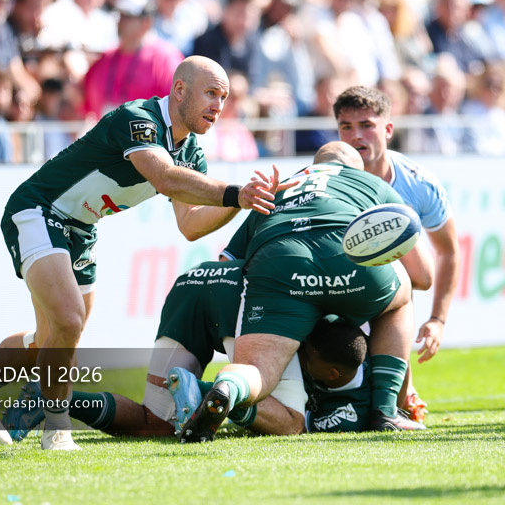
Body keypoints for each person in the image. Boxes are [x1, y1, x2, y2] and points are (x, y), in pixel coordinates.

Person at [0, 56, 286, 451]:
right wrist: (234, 192)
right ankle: (56, 428)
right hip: (39, 209)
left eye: (224, 97)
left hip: (81, 229)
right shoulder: (138, 118)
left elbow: (190, 224)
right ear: (179, 90)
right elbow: (163, 176)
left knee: (52, 338)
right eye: (211, 93)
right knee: (70, 320)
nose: (218, 105)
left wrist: (243, 202)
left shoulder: (191, 149)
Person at [179, 142, 426, 443]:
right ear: (354, 167)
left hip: (279, 263)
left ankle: (229, 387)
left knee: (258, 370)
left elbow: (228, 264)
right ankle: (385, 413)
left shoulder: (279, 186)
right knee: (400, 298)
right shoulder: (371, 182)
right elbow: (423, 275)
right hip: (346, 258)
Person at [1, 260, 349, 440]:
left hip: (193, 281)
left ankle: (52, 399)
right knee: (292, 423)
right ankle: (199, 389)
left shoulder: (281, 201)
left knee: (155, 423)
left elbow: (228, 254)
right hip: (252, 296)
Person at [335, 86, 459, 423]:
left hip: (385, 292)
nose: (356, 136)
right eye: (346, 127)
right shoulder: (327, 178)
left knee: (401, 273)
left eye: (366, 125)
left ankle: (394, 395)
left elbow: (447, 252)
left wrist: (438, 321)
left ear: (388, 129)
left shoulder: (419, 185)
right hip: (331, 290)